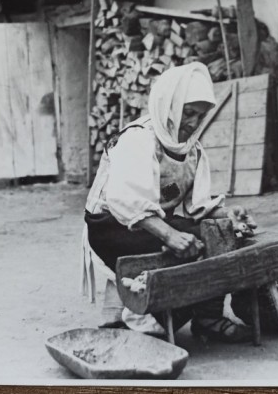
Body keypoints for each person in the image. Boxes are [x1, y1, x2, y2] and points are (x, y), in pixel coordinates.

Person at [82, 61, 255, 343]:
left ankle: (204, 318)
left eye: (200, 116)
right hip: (110, 226)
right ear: (169, 104)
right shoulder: (139, 138)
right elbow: (126, 201)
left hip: (151, 221)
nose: (193, 122)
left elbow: (197, 208)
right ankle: (143, 311)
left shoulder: (191, 149)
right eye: (188, 112)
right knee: (201, 241)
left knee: (220, 233)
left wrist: (227, 215)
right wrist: (171, 235)